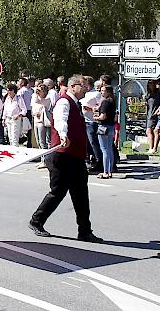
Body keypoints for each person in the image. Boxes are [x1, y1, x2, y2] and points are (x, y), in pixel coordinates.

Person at [29, 74, 103, 243]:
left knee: (81, 194)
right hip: (62, 156)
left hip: (75, 156)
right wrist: (63, 134)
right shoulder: (64, 101)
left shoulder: (76, 104)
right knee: (58, 191)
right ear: (73, 86)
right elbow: (60, 120)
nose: (86, 89)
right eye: (83, 86)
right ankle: (36, 221)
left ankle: (84, 231)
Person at [94, 85, 116, 179]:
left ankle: (105, 171)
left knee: (104, 149)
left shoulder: (105, 102)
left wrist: (96, 118)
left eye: (103, 91)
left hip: (103, 126)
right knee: (109, 148)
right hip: (111, 126)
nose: (101, 92)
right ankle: (110, 171)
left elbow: (103, 116)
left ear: (108, 92)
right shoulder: (113, 101)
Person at [81, 76, 102, 172]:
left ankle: (99, 162)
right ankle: (90, 160)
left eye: (84, 84)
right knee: (87, 143)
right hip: (84, 120)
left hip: (92, 121)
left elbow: (100, 107)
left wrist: (89, 109)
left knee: (93, 143)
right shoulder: (84, 94)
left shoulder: (96, 94)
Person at [32, 84, 52, 152]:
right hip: (36, 121)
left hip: (42, 122)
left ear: (44, 92)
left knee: (43, 142)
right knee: (38, 142)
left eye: (40, 90)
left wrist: (36, 94)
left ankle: (46, 160)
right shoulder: (36, 98)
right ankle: (42, 159)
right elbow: (33, 108)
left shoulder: (47, 99)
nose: (38, 92)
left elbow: (38, 101)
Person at [143, 80, 160, 152]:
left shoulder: (158, 94)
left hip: (154, 114)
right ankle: (152, 147)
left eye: (151, 83)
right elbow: (147, 103)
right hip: (149, 113)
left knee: (149, 130)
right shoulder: (148, 94)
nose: (150, 85)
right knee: (150, 130)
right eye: (149, 83)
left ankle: (152, 148)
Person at [17, 78, 34, 147]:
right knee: (29, 128)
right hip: (29, 111)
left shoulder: (22, 91)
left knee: (23, 127)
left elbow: (19, 101)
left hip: (24, 111)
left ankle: (24, 141)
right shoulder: (31, 90)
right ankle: (29, 142)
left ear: (22, 83)